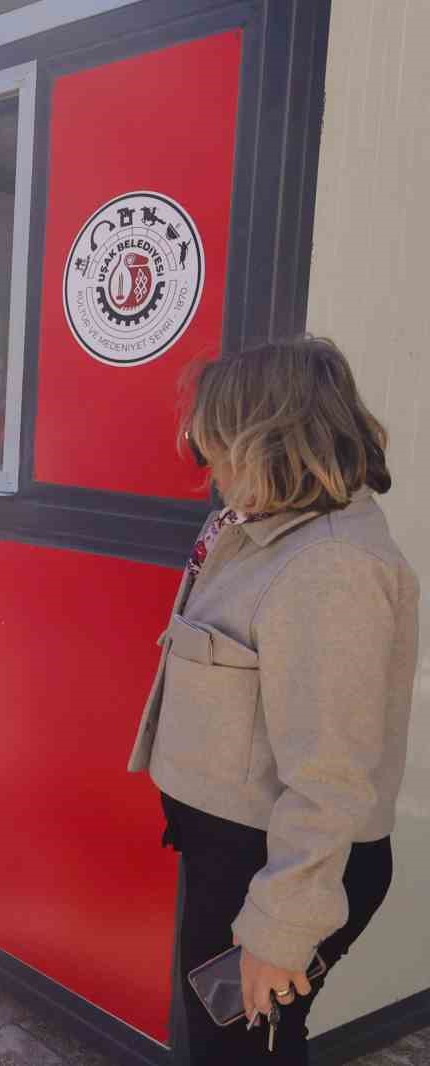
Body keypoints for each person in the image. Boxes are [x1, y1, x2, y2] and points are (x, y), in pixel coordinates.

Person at [128, 338, 418, 1063]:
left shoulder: (329, 568)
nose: (208, 467)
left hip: (282, 867)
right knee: (225, 1039)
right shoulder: (255, 528)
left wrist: (280, 930)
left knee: (244, 1052)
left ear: (270, 440)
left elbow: (331, 780)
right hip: (235, 846)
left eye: (216, 445)